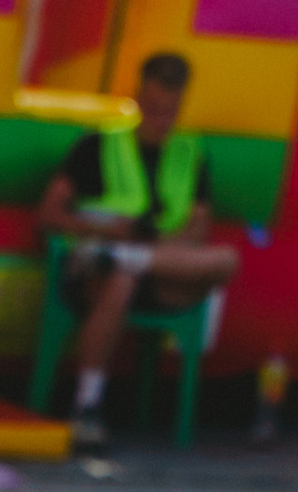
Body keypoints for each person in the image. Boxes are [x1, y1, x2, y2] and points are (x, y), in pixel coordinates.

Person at [36, 46, 240, 452]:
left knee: (226, 260)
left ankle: (134, 260)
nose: (162, 119)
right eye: (154, 107)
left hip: (161, 266)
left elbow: (198, 228)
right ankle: (87, 406)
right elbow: (49, 214)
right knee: (120, 279)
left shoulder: (189, 153)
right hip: (97, 268)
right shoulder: (97, 145)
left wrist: (157, 247)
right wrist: (104, 230)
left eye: (172, 109)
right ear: (137, 99)